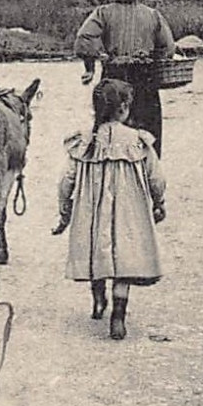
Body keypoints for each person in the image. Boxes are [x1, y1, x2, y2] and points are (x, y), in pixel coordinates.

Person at [52, 80, 167, 341]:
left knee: (97, 250)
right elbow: (156, 178)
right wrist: (159, 202)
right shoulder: (138, 141)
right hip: (128, 210)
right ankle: (118, 315)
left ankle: (98, 300)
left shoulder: (85, 141)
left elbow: (66, 179)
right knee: (123, 257)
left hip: (92, 210)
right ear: (125, 107)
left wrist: (64, 208)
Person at [73, 0, 176, 157]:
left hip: (114, 77)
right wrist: (156, 62)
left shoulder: (103, 13)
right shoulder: (153, 15)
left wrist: (91, 65)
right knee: (147, 133)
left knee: (108, 129)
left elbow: (84, 39)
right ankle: (146, 176)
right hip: (145, 79)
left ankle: (107, 172)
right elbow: (168, 48)